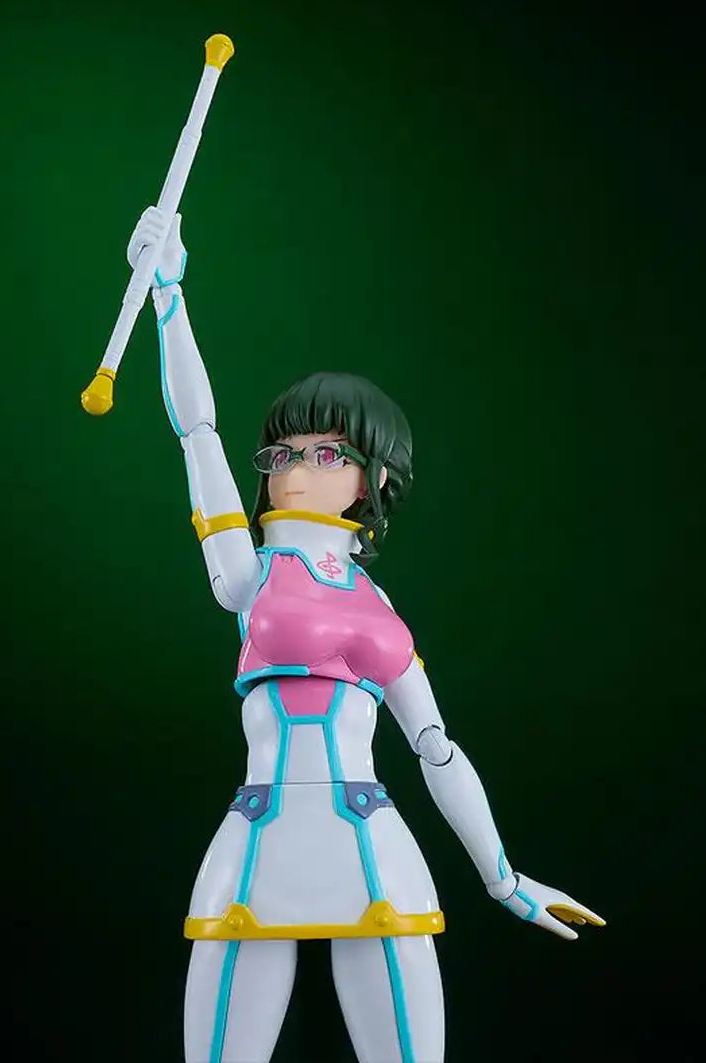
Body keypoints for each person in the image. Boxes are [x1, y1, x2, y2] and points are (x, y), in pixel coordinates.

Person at [126, 206, 605, 1063]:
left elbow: (436, 748)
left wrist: (503, 879)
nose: (294, 467)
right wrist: (168, 295)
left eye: (327, 452)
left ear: (374, 478)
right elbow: (197, 432)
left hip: (370, 839)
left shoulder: (378, 605)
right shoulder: (252, 573)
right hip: (260, 835)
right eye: (282, 453)